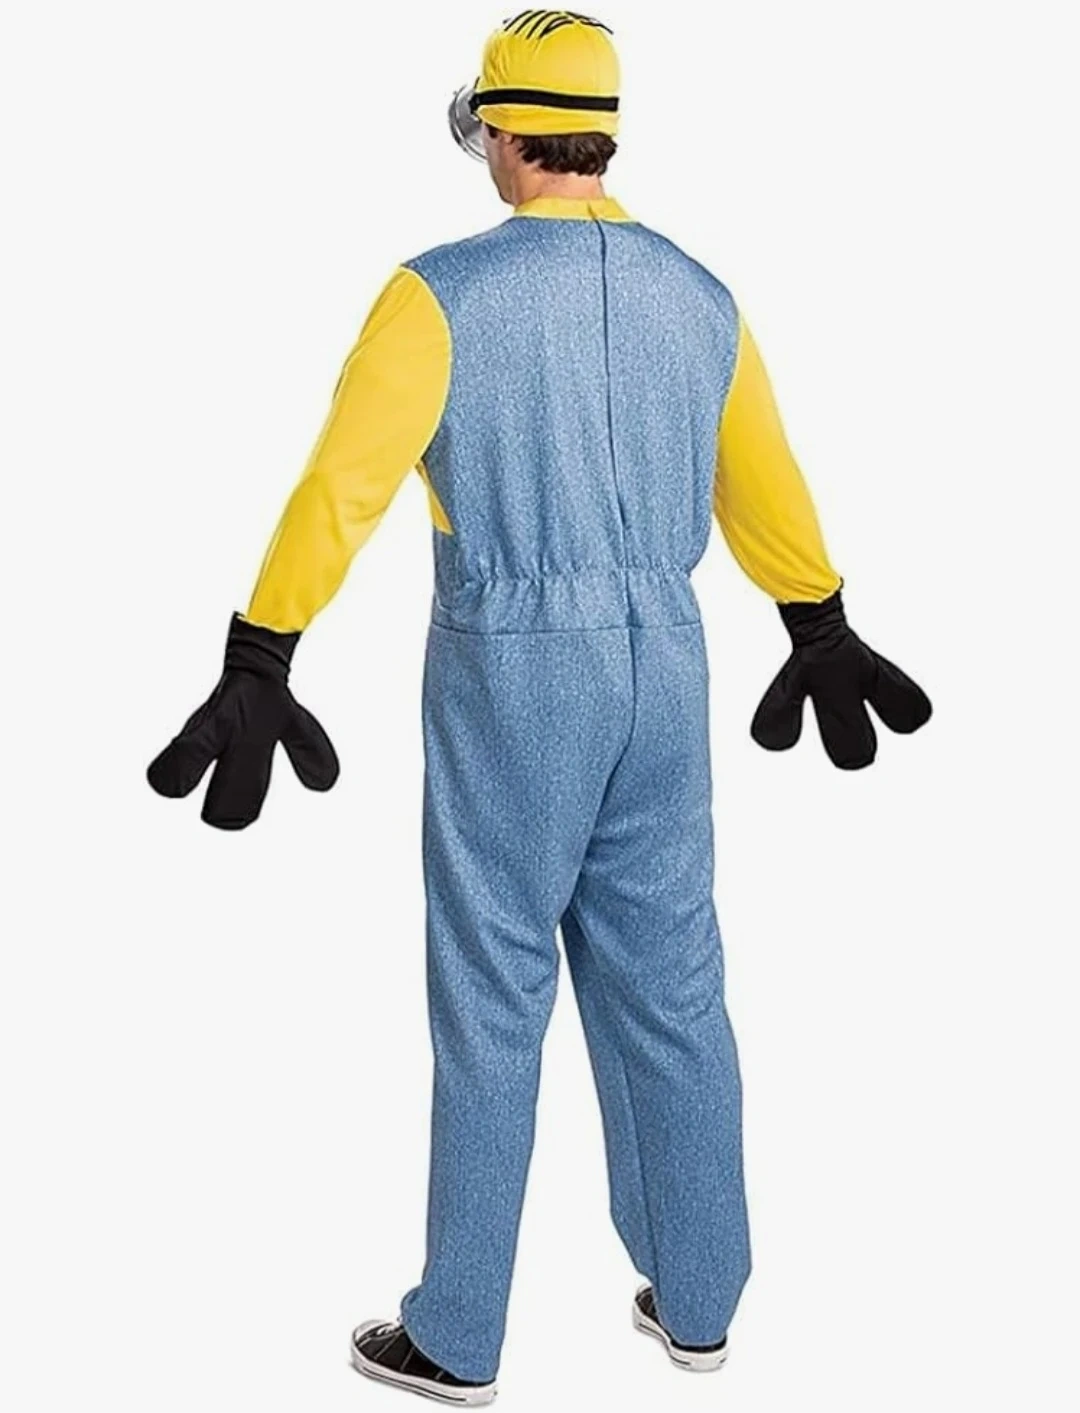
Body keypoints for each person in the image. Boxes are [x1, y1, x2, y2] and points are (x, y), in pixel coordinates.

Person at [148, 9, 931, 1405]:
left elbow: (345, 486)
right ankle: (700, 1300)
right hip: (668, 665)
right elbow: (763, 477)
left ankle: (458, 1334)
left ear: (502, 133)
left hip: (513, 667)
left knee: (493, 991)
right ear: (603, 137)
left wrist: (263, 649)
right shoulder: (701, 293)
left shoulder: (438, 295)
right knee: (673, 983)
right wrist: (814, 617)